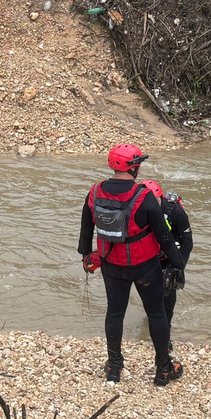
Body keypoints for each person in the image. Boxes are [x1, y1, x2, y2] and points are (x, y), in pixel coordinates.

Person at [79, 144, 187, 387]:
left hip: (111, 265)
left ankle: (114, 368)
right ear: (135, 168)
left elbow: (86, 229)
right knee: (157, 313)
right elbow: (165, 238)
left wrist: (86, 255)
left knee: (115, 312)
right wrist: (178, 265)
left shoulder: (94, 192)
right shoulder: (144, 197)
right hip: (145, 267)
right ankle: (163, 369)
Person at [140, 178, 194, 364]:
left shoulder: (174, 210)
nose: (150, 206)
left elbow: (187, 242)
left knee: (167, 297)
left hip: (169, 257)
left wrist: (179, 267)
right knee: (150, 296)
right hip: (147, 257)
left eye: (154, 201)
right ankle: (153, 320)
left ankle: (166, 335)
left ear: (161, 198)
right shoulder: (136, 208)